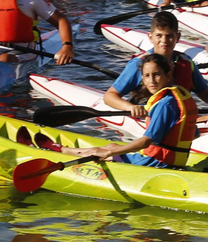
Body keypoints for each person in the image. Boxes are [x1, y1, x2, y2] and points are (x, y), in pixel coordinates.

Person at [61, 53, 200, 168]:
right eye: (146, 76)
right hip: (171, 161)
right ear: (143, 79)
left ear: (168, 75)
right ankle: (65, 150)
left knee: (100, 151)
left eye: (156, 74)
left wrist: (108, 153)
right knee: (112, 144)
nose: (152, 80)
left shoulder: (164, 104)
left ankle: (61, 152)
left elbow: (145, 142)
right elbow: (194, 133)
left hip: (154, 163)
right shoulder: (177, 97)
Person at [102, 11, 208, 119]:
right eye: (159, 36)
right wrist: (129, 107)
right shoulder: (139, 64)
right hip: (147, 119)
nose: (164, 41)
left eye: (169, 36)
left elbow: (206, 93)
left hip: (178, 120)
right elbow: (110, 96)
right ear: (150, 37)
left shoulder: (186, 63)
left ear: (178, 37)